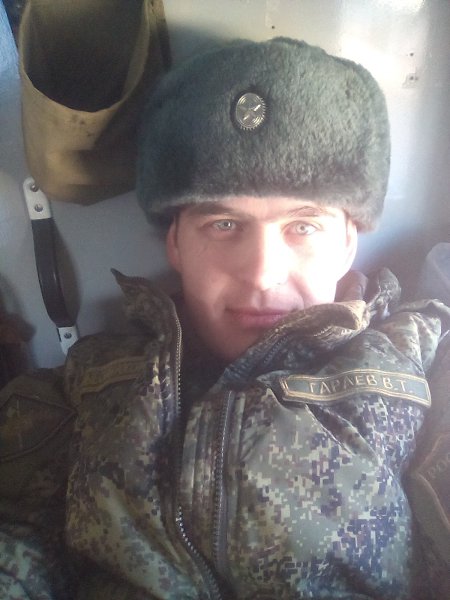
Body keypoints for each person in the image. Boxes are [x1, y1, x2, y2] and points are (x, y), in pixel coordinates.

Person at [1, 37, 449, 600]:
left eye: (303, 226)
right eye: (224, 225)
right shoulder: (88, 381)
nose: (261, 274)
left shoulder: (423, 370)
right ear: (176, 243)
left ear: (346, 245)